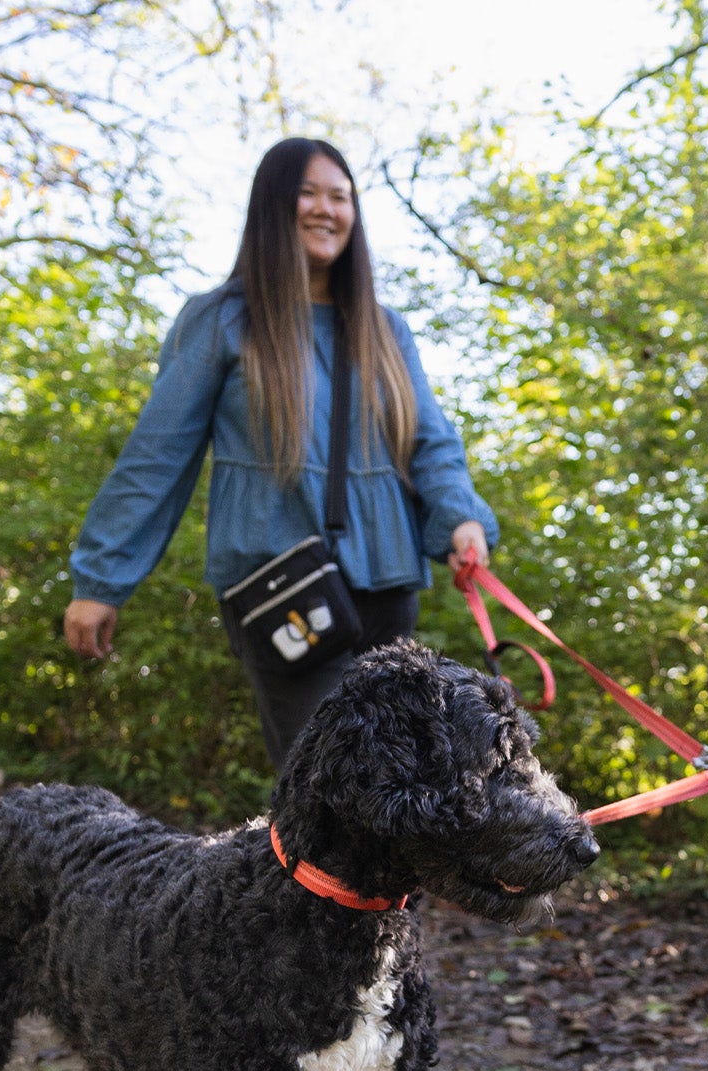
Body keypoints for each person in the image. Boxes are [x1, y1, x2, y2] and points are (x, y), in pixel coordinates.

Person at [64, 137, 498, 769]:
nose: (326, 209)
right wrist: (101, 580)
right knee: (325, 778)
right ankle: (300, 873)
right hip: (282, 582)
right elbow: (156, 457)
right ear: (273, 206)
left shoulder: (386, 329)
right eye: (308, 192)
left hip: (386, 580)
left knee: (400, 780)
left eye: (340, 196)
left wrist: (460, 517)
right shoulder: (222, 320)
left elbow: (430, 442)